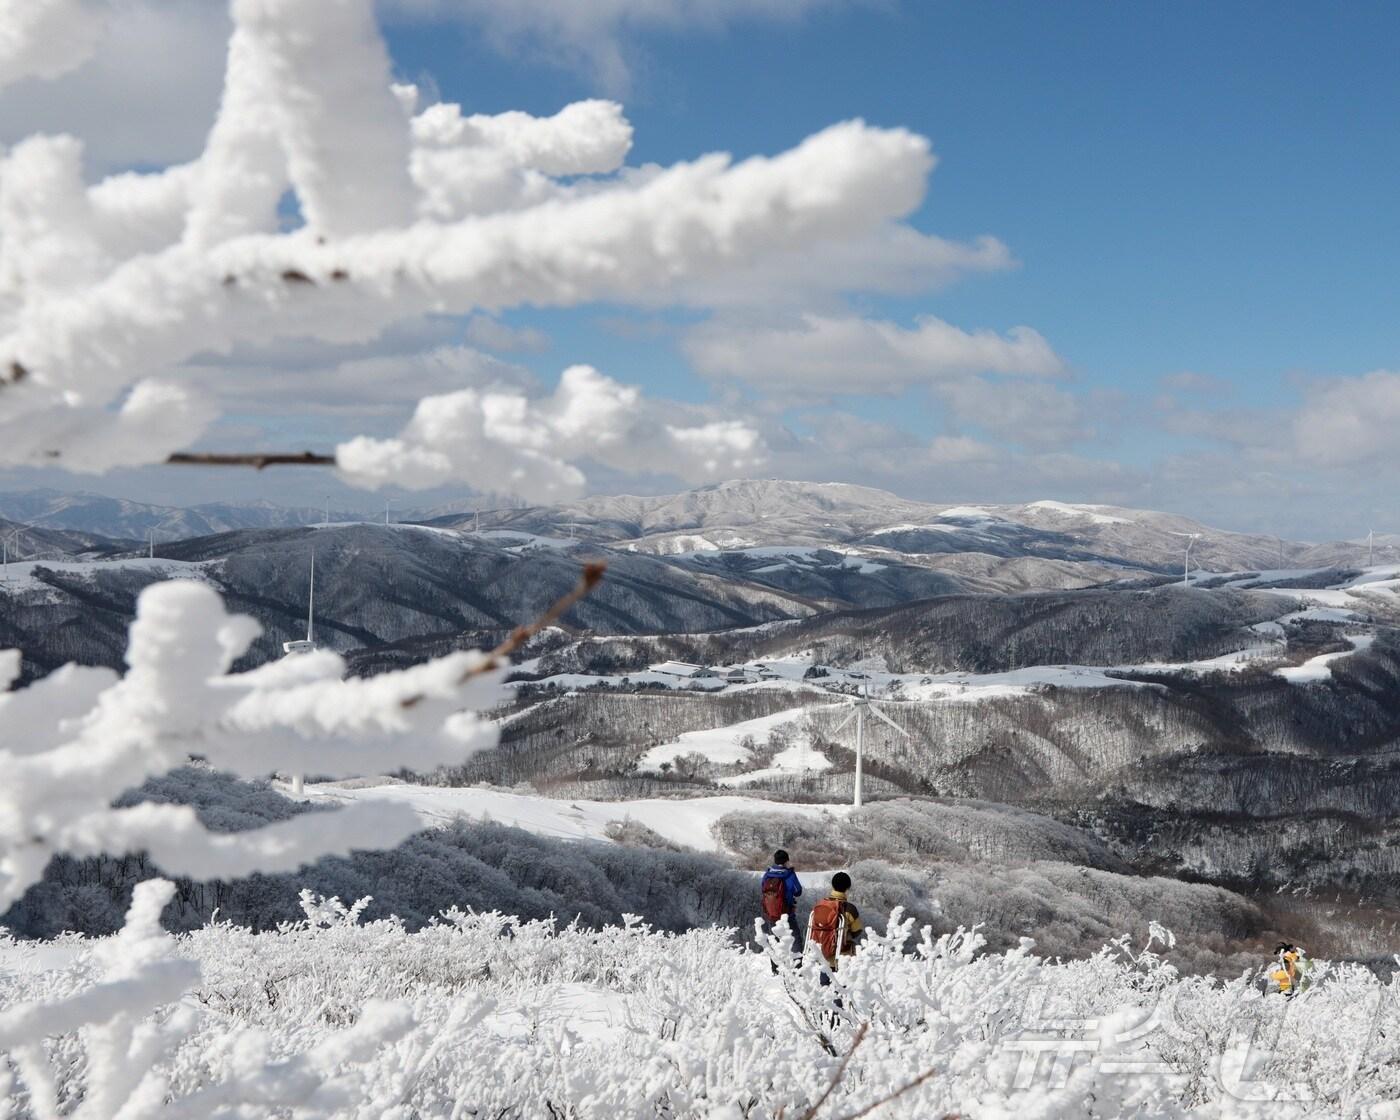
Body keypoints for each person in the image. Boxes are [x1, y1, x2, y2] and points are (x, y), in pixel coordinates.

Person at [807, 871, 864, 975]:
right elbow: (857, 931)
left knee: (825, 986)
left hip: (821, 954)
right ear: (848, 888)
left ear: (832, 886)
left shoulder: (820, 905)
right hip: (841, 958)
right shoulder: (849, 908)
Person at [760, 849, 804, 955]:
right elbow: (798, 891)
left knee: (775, 942)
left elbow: (763, 889)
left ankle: (776, 968)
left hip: (771, 914)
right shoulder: (789, 874)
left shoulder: (767, 874)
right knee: (796, 940)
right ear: (786, 861)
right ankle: (797, 966)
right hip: (787, 914)